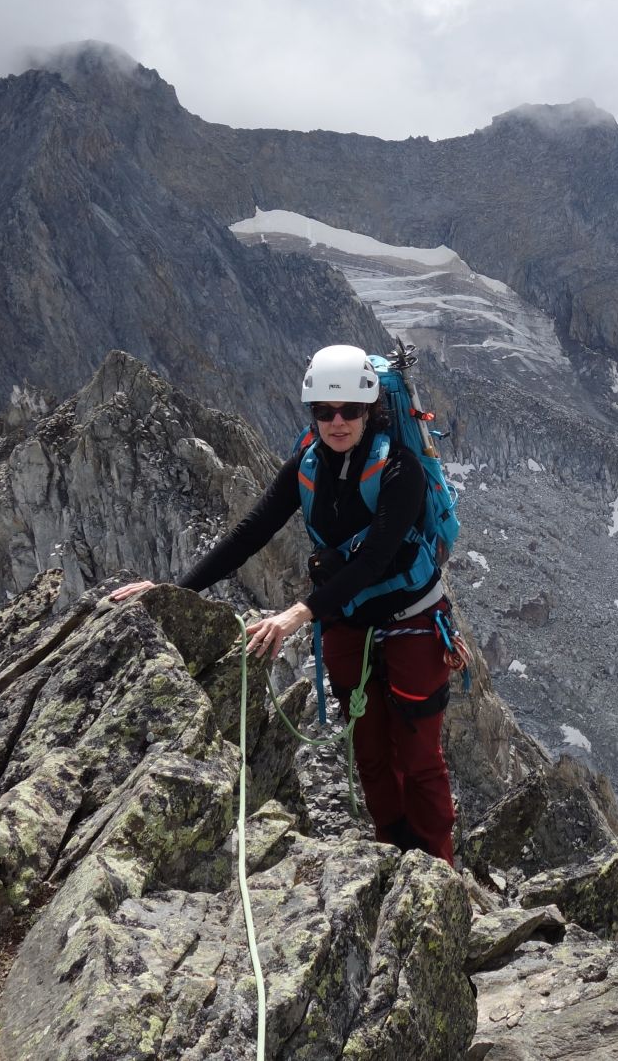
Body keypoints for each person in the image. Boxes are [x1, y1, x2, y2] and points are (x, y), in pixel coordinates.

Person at [108, 344, 459, 863]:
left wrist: (300, 613)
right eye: (324, 411)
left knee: (419, 757)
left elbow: (374, 561)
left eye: (349, 410)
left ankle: (438, 868)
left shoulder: (399, 471)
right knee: (370, 753)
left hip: (413, 620)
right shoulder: (308, 464)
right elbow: (251, 532)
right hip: (349, 622)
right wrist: (174, 591)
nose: (336, 422)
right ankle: (394, 856)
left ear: (370, 410)